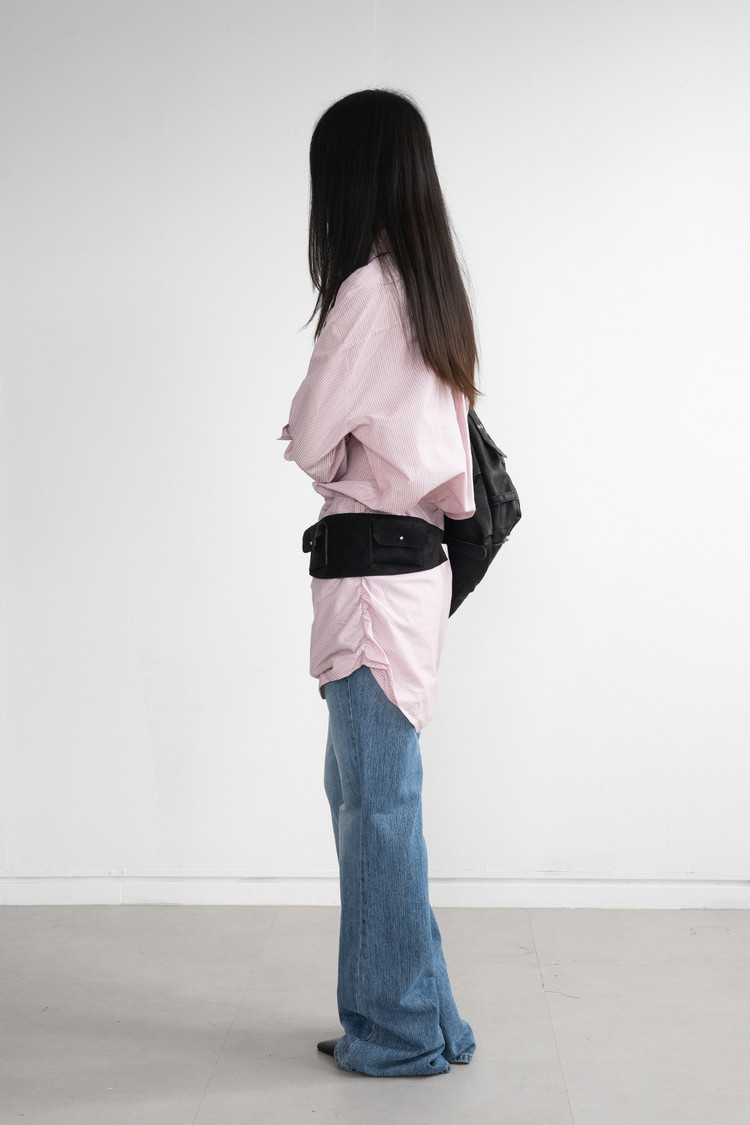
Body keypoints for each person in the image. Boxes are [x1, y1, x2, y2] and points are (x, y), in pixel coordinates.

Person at [279, 88, 479, 1078]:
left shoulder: (368, 292)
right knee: (378, 801)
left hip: (368, 582)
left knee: (375, 809)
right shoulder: (433, 292)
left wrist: (329, 446)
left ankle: (395, 1035)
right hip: (414, 573)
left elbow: (311, 436)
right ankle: (427, 1018)